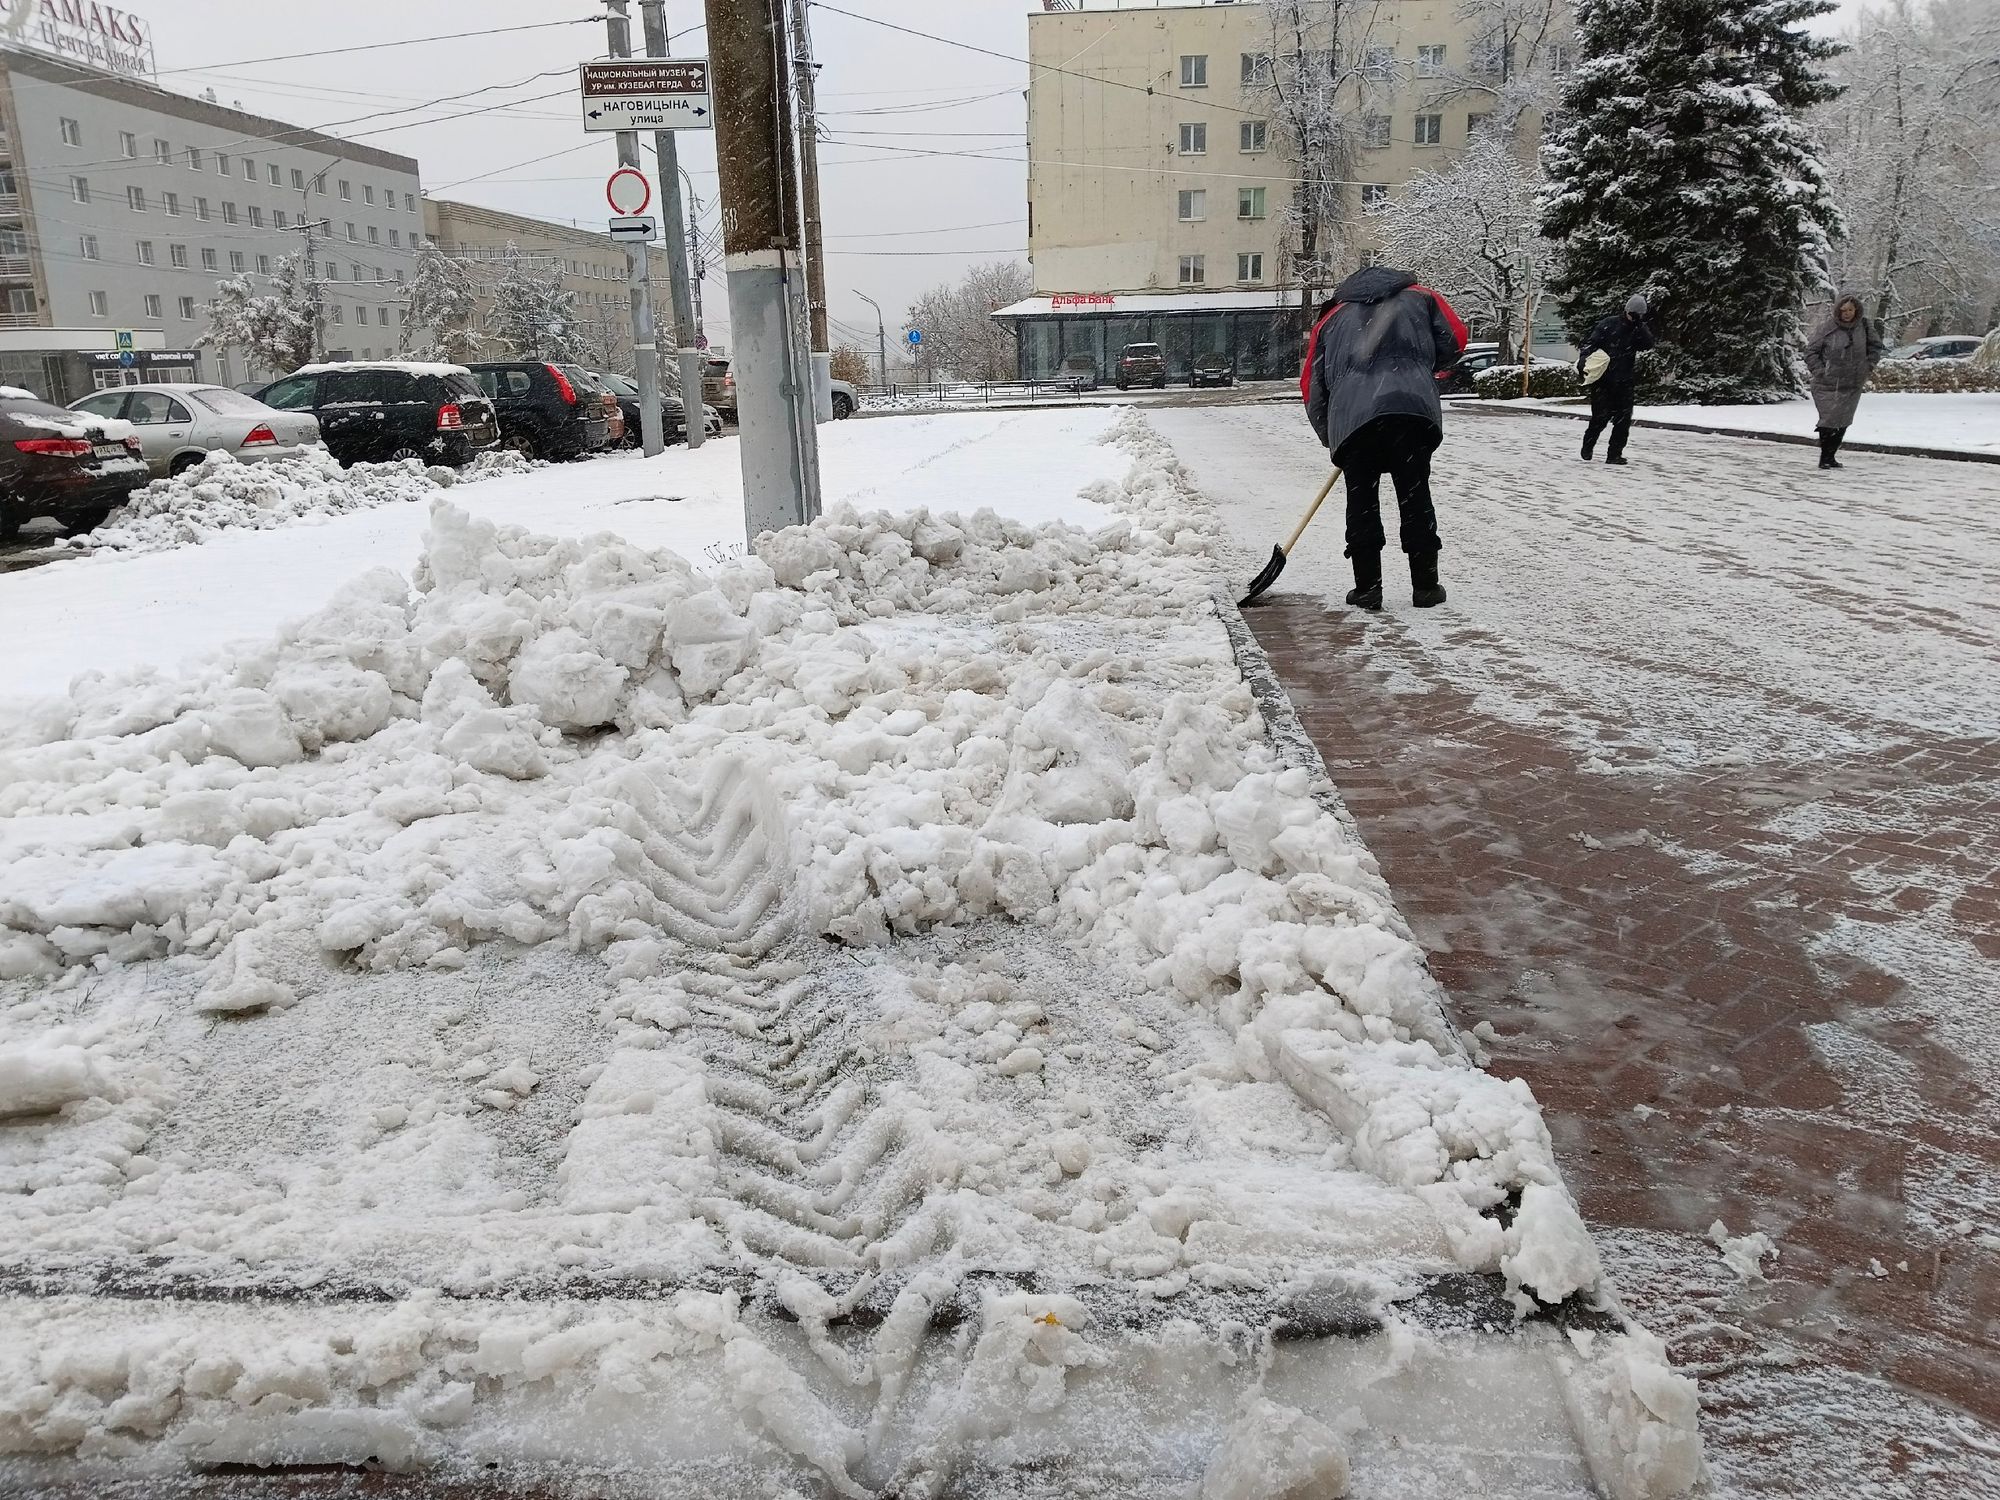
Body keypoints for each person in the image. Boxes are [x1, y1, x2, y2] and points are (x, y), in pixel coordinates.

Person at [1303, 265, 1467, 610]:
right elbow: (1455, 341)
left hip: (1354, 422)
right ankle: (1425, 586)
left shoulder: (1330, 317)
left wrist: (1331, 435)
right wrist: (1417, 363)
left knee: (1361, 501)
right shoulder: (1423, 298)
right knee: (1415, 495)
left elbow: (1311, 385)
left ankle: (1368, 588)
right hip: (1411, 411)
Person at [1803, 295, 1884, 470]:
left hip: (1852, 383)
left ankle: (1831, 456)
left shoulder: (1864, 327)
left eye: (1850, 310)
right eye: (1843, 310)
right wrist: (1820, 371)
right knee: (1829, 419)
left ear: (1856, 311)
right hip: (1827, 383)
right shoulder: (1828, 328)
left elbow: (1875, 348)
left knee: (1843, 420)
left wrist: (1867, 366)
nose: (1846, 314)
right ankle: (1825, 457)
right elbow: (1811, 352)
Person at [1576, 294, 1656, 465]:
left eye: (1640, 315)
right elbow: (1591, 343)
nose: (1636, 317)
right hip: (1603, 380)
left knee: (1623, 419)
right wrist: (1584, 359)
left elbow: (1648, 344)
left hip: (1624, 380)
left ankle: (1614, 454)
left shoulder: (1637, 329)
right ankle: (1588, 446)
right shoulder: (1608, 324)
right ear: (1627, 310)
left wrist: (1640, 326)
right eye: (1634, 314)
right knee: (1600, 417)